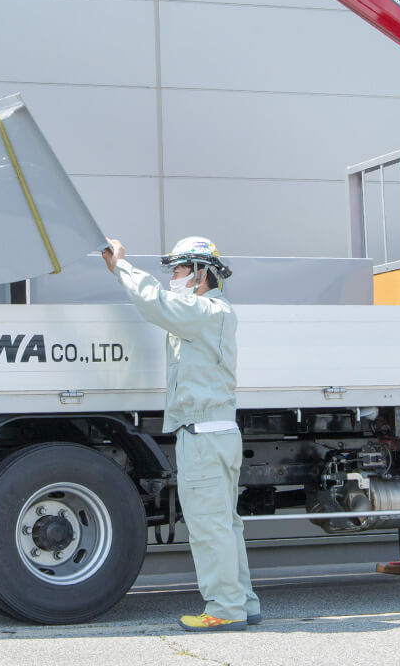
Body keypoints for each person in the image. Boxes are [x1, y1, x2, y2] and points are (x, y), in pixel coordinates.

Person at [101, 236, 260, 632]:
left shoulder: (204, 310)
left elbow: (156, 303)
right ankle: (243, 603)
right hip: (214, 432)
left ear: (202, 273)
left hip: (204, 436)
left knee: (210, 526)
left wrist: (121, 266)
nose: (172, 277)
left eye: (179, 269)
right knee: (225, 524)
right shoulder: (211, 312)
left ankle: (224, 608)